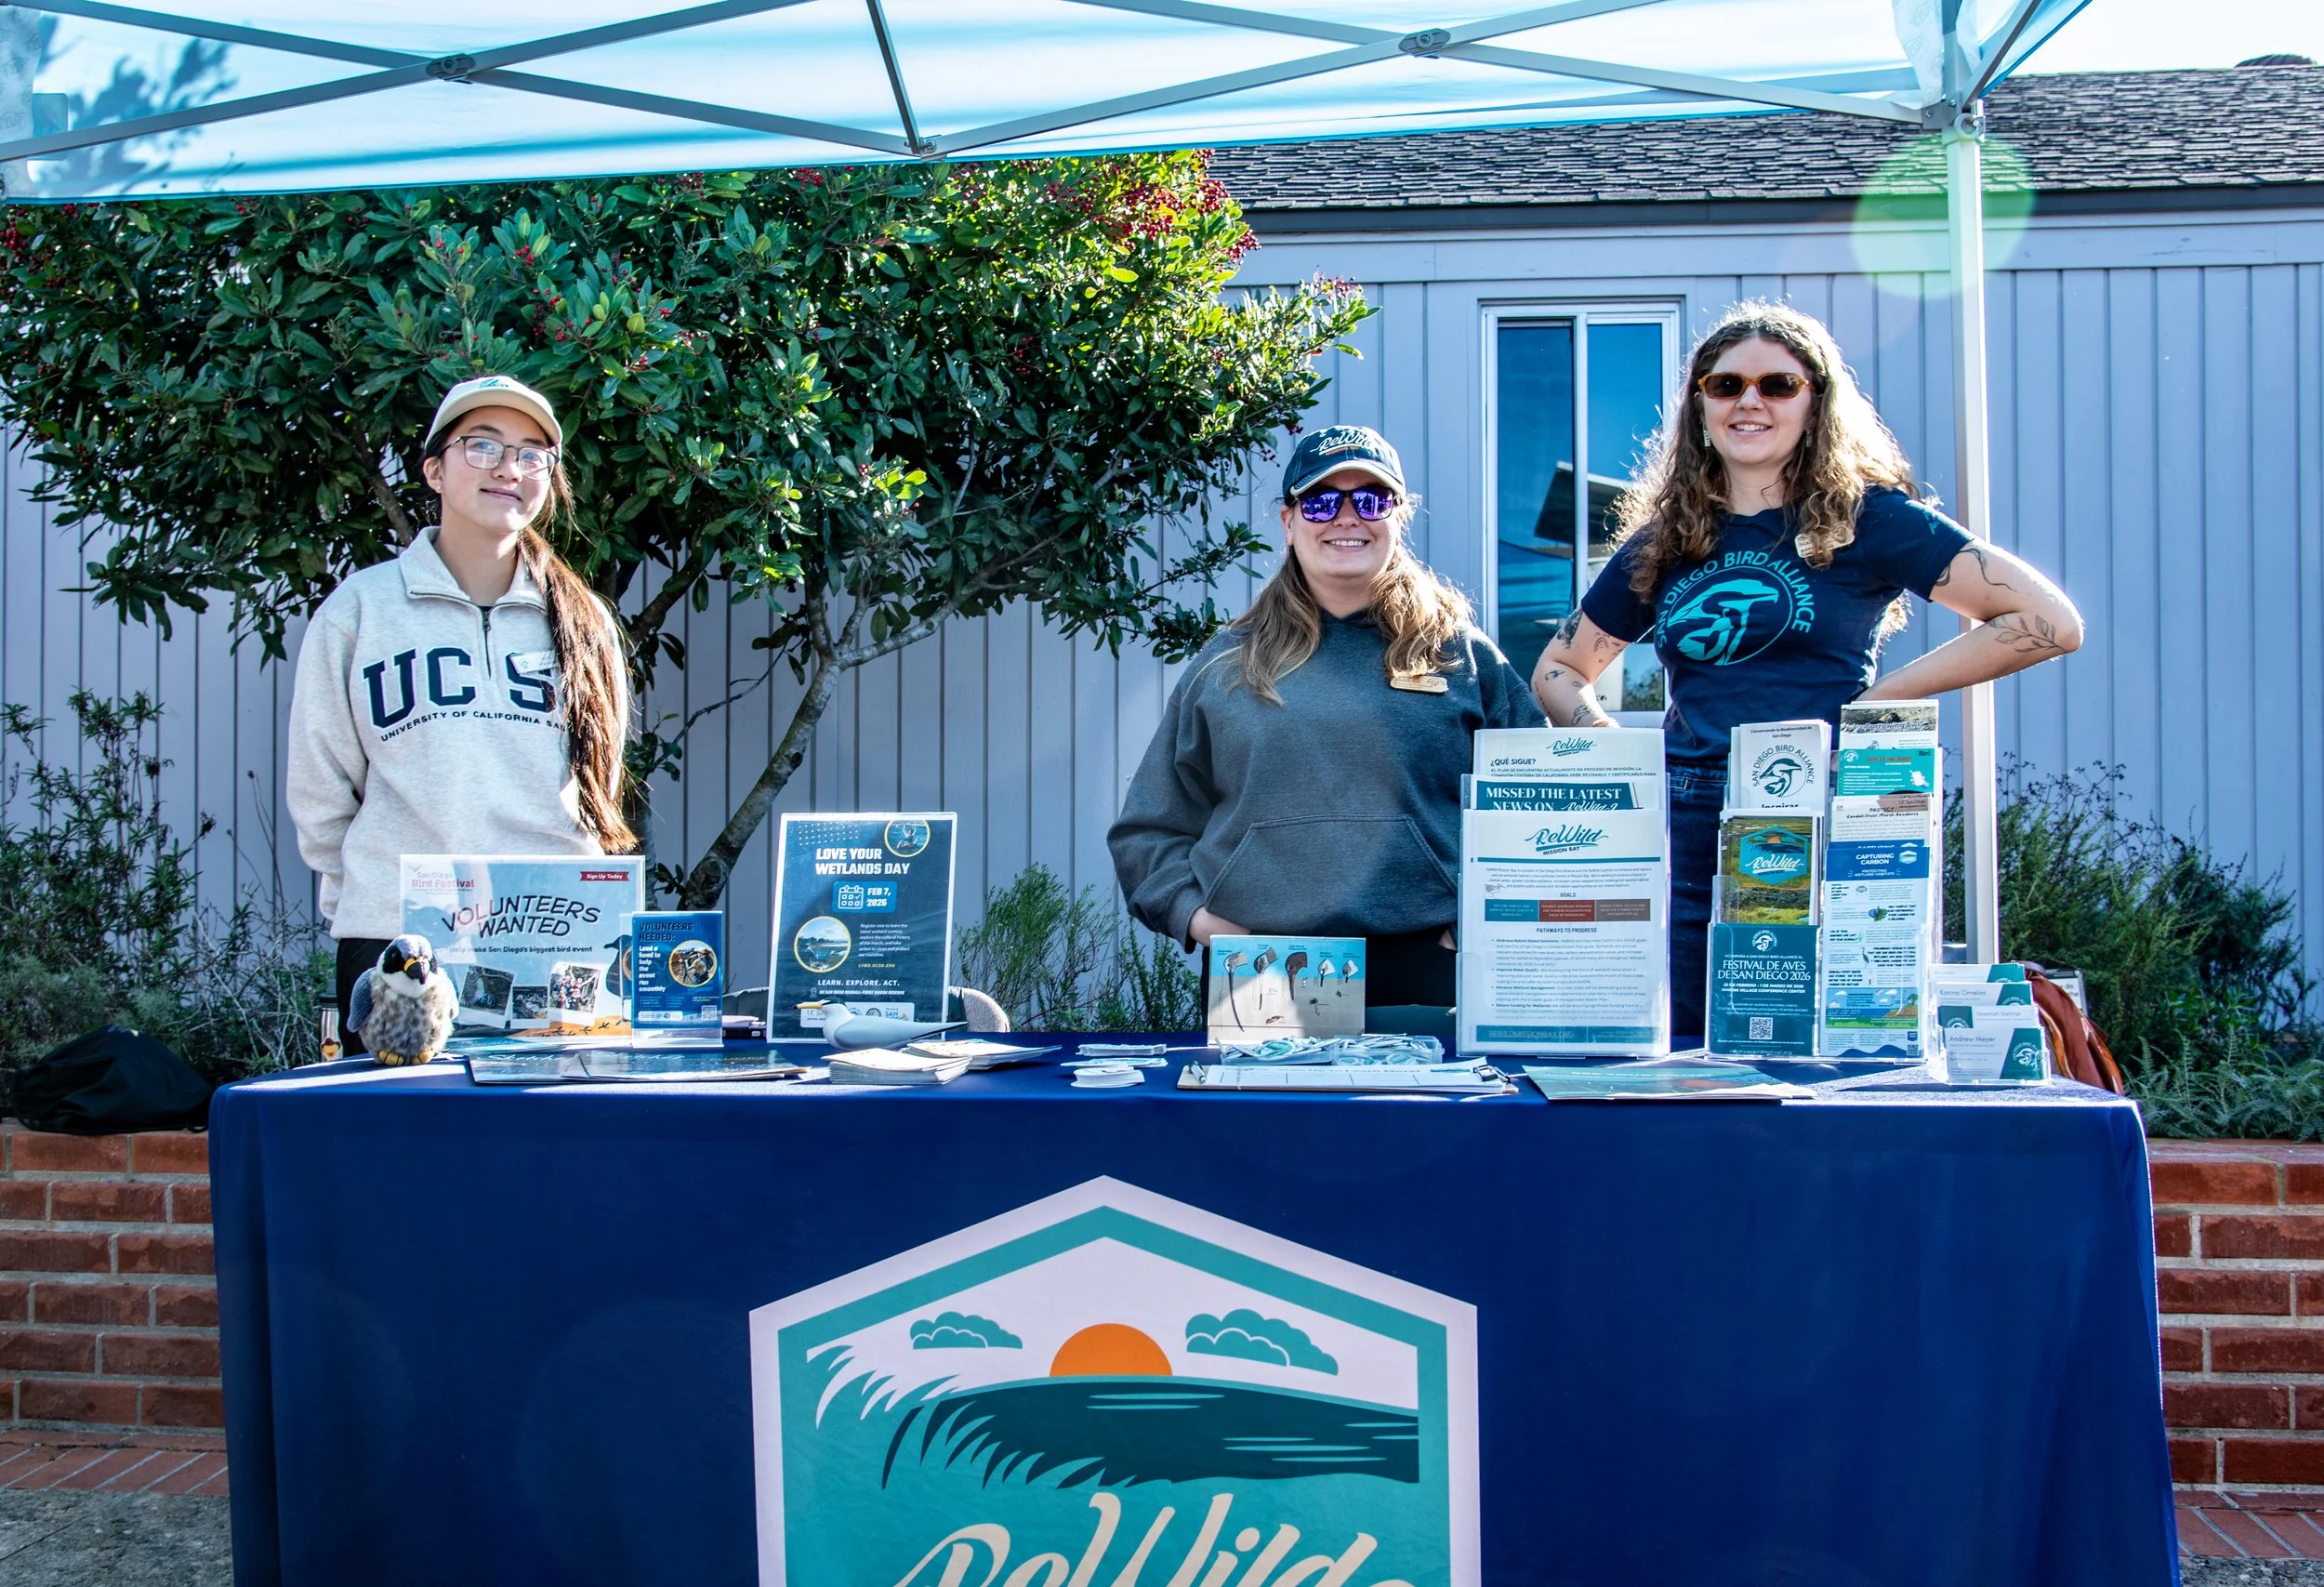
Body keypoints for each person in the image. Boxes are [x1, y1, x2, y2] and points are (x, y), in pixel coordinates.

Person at [1532, 302, 2082, 1042]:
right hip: (1686, 822)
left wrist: (1881, 703)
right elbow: (1561, 668)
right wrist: (1617, 758)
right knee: (1686, 1049)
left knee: (1823, 1044)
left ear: (1816, 400)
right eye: (1724, 384)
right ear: (1699, 404)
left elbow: (2048, 622)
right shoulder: (1668, 539)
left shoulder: (1870, 520)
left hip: (1829, 808)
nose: (1749, 401)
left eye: (1778, 384)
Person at [1110, 424, 1545, 1010]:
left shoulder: (1460, 656)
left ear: (1398, 517)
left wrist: (1467, 928)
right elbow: (1148, 828)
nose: (1346, 518)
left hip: (1434, 962)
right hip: (1263, 965)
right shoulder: (1225, 665)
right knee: (1282, 1104)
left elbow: (1537, 806)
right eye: (1320, 500)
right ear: (1289, 523)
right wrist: (1202, 921)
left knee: (1425, 1105)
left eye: (1370, 499)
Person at [288, 375, 634, 1051]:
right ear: (434, 470)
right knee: (404, 1152)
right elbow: (320, 795)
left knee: (550, 1152)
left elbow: (602, 783)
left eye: (533, 453)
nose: (509, 467)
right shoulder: (361, 613)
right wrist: (374, 896)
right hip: (399, 942)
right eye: (483, 445)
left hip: (557, 938)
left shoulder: (584, 622)